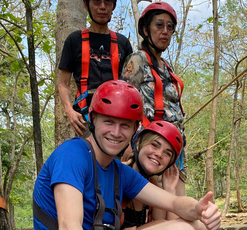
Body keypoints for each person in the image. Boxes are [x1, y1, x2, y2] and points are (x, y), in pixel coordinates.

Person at [33, 80, 221, 230]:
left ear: (134, 129)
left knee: (195, 225)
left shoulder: (120, 172)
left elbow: (173, 202)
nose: (116, 132)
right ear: (94, 119)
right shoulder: (72, 154)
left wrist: (199, 210)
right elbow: (68, 226)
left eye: (125, 125)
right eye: (109, 121)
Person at [122, 1, 187, 196]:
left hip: (174, 148)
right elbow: (124, 102)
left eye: (170, 27)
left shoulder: (167, 67)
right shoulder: (138, 60)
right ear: (145, 29)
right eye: (159, 25)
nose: (165, 31)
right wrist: (127, 146)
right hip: (150, 147)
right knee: (154, 208)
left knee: (178, 204)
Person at [59, 0, 133, 136]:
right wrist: (70, 111)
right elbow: (63, 84)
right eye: (96, 1)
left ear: (113, 7)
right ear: (86, 4)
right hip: (85, 118)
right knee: (87, 158)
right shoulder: (75, 40)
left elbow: (131, 86)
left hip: (117, 117)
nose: (102, 7)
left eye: (108, 2)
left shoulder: (123, 43)